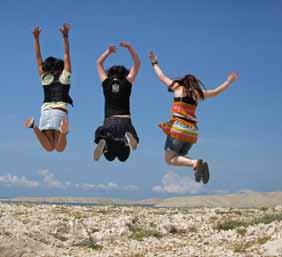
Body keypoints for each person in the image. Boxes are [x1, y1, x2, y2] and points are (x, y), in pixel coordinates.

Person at [149, 51, 239, 184]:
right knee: (179, 157)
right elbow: (215, 92)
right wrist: (229, 82)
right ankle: (196, 166)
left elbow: (161, 76)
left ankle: (195, 163)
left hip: (179, 128)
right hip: (192, 132)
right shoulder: (198, 94)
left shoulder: (177, 88)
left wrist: (154, 63)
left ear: (183, 82)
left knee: (169, 160)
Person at [24, 24, 73, 152]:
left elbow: (38, 58)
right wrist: (65, 36)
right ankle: (62, 132)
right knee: (59, 148)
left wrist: (36, 38)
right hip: (59, 111)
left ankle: (34, 126)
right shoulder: (65, 76)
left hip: (46, 112)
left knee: (49, 148)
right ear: (61, 67)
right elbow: (67, 54)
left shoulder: (45, 78)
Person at [94, 42, 141, 162]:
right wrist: (130, 47)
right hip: (125, 121)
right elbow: (137, 63)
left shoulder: (106, 82)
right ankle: (127, 141)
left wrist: (108, 51)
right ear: (124, 74)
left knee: (110, 157)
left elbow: (99, 63)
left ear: (109, 74)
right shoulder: (127, 82)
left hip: (109, 121)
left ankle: (105, 144)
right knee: (123, 157)